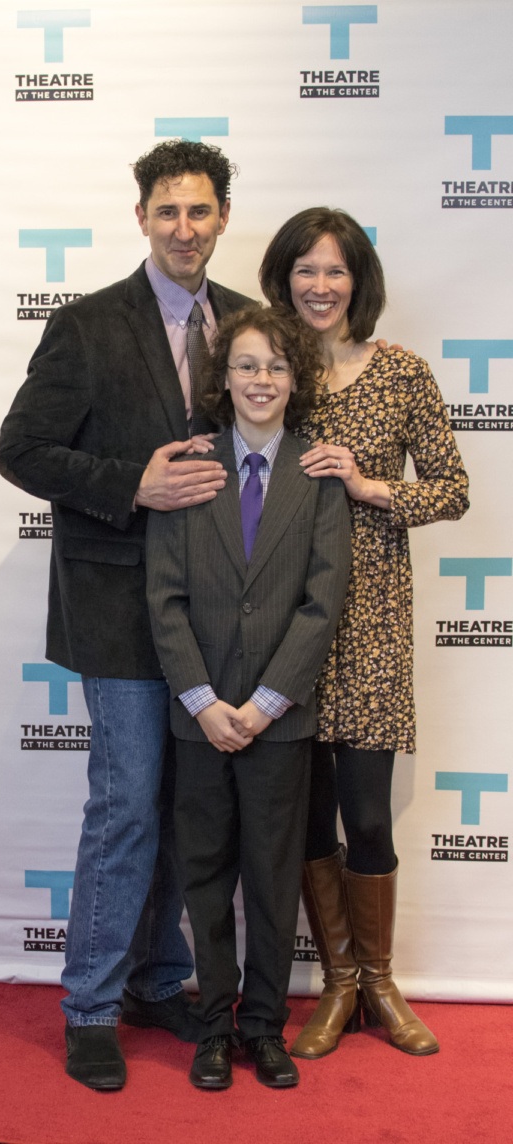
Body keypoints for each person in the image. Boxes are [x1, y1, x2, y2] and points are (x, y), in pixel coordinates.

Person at [0, 140, 254, 1091]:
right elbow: (21, 449)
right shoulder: (87, 325)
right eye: (167, 212)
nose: (184, 228)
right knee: (123, 806)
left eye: (200, 211)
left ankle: (157, 981)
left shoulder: (253, 324)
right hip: (116, 608)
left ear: (223, 215)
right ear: (141, 217)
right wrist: (129, 484)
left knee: (185, 812)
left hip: (222, 614)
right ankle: (92, 1006)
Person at [259, 208, 470, 1060]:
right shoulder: (267, 370)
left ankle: (380, 982)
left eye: (335, 270)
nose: (319, 285)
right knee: (306, 821)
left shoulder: (403, 373)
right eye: (305, 270)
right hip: (279, 623)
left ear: (359, 282)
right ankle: (338, 983)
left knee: (367, 818)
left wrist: (370, 484)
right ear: (284, 280)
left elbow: (452, 488)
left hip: (372, 622)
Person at [146, 306, 351, 1089]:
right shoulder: (191, 469)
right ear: (221, 377)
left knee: (270, 876)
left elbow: (320, 603)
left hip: (279, 721)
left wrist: (265, 704)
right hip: (200, 720)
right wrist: (203, 700)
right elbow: (164, 600)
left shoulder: (316, 474)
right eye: (245, 365)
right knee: (204, 874)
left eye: (276, 366)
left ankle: (263, 1025)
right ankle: (212, 1027)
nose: (260, 379)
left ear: (295, 380)